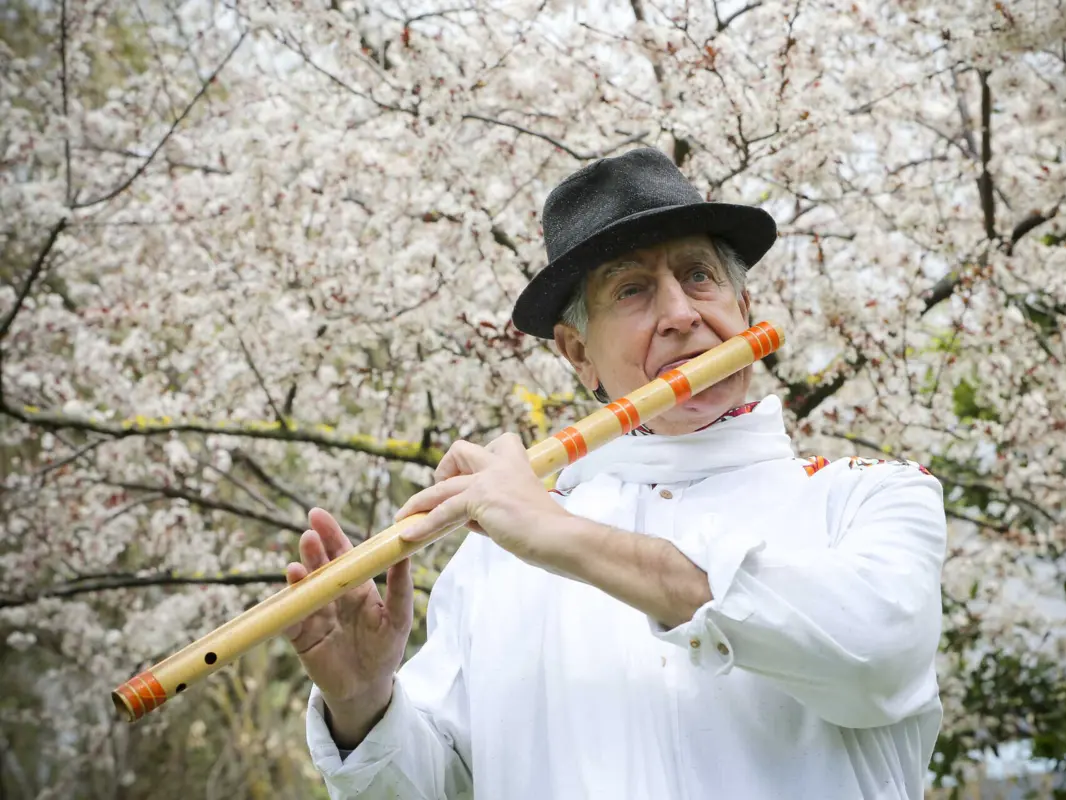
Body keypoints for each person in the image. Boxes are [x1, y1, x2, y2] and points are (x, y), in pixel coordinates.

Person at [290, 147, 947, 799]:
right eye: (633, 289)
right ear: (580, 355)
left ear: (743, 308)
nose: (682, 314)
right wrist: (362, 705)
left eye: (699, 277)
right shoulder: (492, 563)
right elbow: (437, 787)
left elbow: (873, 661)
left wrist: (562, 535)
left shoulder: (871, 498)